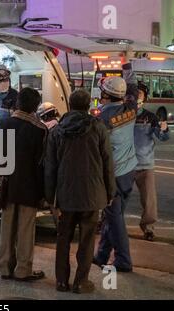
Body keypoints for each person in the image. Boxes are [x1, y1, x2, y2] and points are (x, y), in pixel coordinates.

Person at [45, 90, 115, 294]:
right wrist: (110, 191)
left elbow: (50, 167)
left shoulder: (57, 131)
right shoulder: (98, 128)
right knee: (86, 240)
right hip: (92, 195)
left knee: (63, 238)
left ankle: (61, 281)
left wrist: (50, 197)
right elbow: (107, 163)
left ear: (70, 104)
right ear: (87, 106)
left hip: (65, 196)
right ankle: (80, 282)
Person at [0, 87, 47, 282]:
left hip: (6, 183)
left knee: (6, 226)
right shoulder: (40, 130)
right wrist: (44, 193)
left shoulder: (1, 124)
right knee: (25, 229)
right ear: (35, 107)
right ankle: (23, 269)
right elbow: (42, 164)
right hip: (30, 186)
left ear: (17, 103)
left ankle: (5, 267)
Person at [94, 53, 139, 273]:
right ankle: (102, 254)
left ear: (105, 95)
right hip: (130, 171)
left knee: (115, 218)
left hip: (113, 175)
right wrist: (126, 62)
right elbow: (132, 85)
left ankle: (123, 260)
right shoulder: (131, 109)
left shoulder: (101, 120)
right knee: (113, 216)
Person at [134, 81, 170, 241]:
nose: (136, 97)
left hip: (144, 164)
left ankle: (148, 228)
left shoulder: (150, 117)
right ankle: (108, 223)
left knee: (149, 201)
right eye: (133, 94)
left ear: (145, 97)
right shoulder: (122, 114)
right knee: (115, 198)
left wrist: (164, 128)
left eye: (139, 94)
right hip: (124, 164)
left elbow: (163, 137)